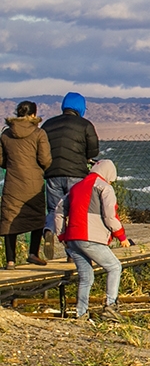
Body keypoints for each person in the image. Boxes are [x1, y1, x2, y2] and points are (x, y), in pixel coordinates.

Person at [54, 159, 129, 321]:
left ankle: (81, 314)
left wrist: (62, 236)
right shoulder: (105, 188)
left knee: (86, 276)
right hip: (90, 238)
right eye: (111, 179)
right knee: (114, 267)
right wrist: (121, 236)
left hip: (73, 240)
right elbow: (110, 215)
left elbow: (58, 211)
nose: (111, 182)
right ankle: (110, 306)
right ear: (108, 174)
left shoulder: (75, 187)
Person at [42, 91, 99, 259]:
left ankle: (49, 230)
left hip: (52, 173)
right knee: (74, 211)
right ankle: (72, 253)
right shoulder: (85, 125)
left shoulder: (48, 124)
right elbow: (94, 149)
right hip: (77, 174)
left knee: (54, 209)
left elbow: (42, 148)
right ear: (81, 108)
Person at [0, 101, 53, 268]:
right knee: (36, 216)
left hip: (12, 182)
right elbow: (45, 159)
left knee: (9, 219)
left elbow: (1, 160)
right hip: (34, 182)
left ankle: (10, 260)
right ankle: (33, 253)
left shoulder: (6, 135)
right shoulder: (39, 133)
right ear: (33, 115)